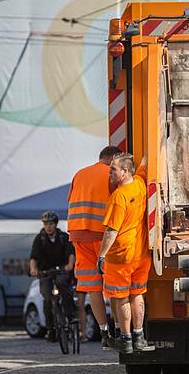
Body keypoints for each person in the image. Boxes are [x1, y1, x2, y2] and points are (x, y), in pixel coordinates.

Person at [97, 153, 153, 354]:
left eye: (113, 169)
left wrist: (102, 255)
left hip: (120, 256)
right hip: (140, 255)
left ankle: (126, 339)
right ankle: (139, 337)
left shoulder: (118, 197)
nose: (110, 172)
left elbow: (111, 231)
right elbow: (145, 163)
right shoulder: (139, 184)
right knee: (137, 294)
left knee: (121, 298)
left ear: (125, 171)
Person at [67, 145, 121, 346]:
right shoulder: (110, 175)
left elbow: (71, 200)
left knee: (93, 286)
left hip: (78, 236)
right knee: (115, 284)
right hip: (102, 237)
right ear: (114, 159)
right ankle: (118, 327)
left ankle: (103, 331)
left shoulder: (79, 174)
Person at [29, 211, 76, 343]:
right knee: (47, 298)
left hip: (61, 270)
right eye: (46, 224)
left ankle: (71, 316)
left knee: (63, 285)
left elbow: (71, 253)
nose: (48, 226)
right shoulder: (40, 239)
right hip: (45, 272)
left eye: (51, 224)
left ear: (55, 224)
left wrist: (70, 265)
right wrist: (33, 269)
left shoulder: (63, 237)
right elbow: (33, 257)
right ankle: (51, 328)